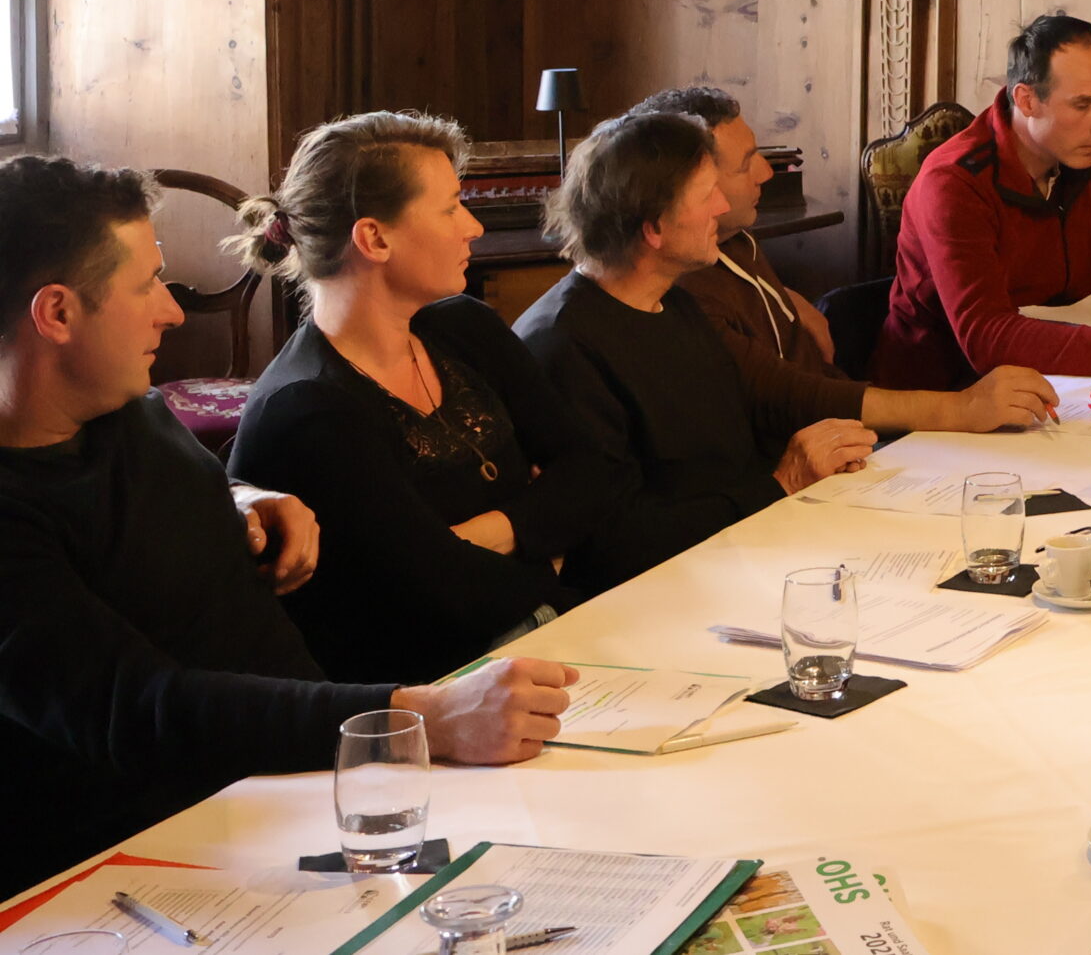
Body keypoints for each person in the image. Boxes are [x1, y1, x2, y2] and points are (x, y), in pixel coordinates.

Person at [0, 156, 574, 902]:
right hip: (150, 867)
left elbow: (133, 517)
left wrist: (239, 494)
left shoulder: (120, 406)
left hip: (297, 794)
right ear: (56, 314)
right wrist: (421, 718)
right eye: (146, 286)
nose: (172, 312)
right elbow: (142, 710)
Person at [228, 113, 622, 684]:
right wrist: (543, 545)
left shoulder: (465, 327)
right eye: (451, 207)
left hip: (532, 634)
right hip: (428, 690)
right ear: (374, 238)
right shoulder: (307, 408)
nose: (473, 226)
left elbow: (592, 473)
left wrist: (483, 535)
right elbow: (442, 595)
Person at [517, 110, 877, 590]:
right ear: (654, 227)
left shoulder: (675, 303)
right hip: (653, 596)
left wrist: (818, 460)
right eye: (707, 195)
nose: (721, 206)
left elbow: (729, 455)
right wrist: (781, 484)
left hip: (742, 555)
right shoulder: (563, 346)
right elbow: (612, 542)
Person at [629, 86, 1057, 434]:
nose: (766, 173)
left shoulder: (733, 237)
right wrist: (962, 408)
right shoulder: (681, 285)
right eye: (744, 166)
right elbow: (788, 397)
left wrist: (788, 298)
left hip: (844, 427)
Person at [869, 14, 1091, 392]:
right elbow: (985, 336)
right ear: (1027, 100)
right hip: (941, 391)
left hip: (1061, 374)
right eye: (1083, 105)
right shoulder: (953, 181)